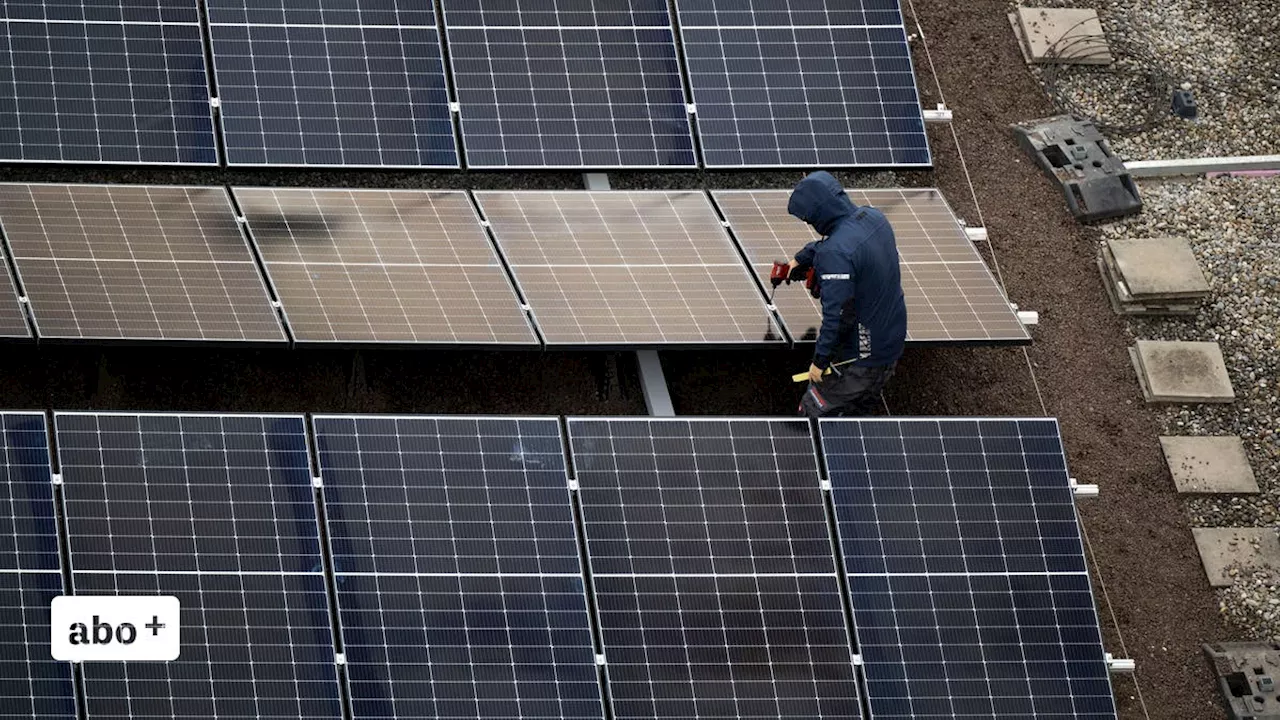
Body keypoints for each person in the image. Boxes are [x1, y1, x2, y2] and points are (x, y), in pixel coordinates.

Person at [784, 171, 907, 417]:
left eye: (810, 220)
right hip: (891, 339)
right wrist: (803, 257)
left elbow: (837, 316)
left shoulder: (835, 254)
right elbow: (844, 241)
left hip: (862, 358)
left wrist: (819, 362)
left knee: (814, 410)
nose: (811, 225)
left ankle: (815, 448)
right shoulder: (874, 217)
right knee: (859, 409)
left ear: (819, 215)